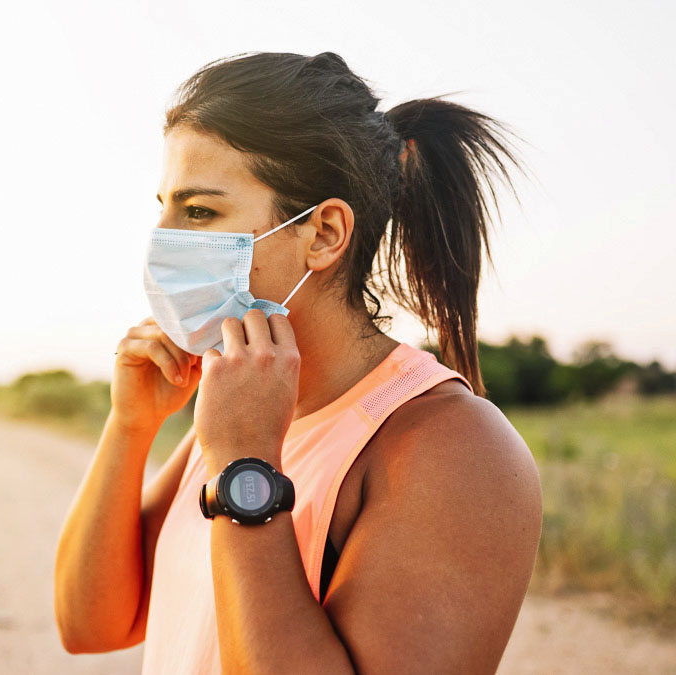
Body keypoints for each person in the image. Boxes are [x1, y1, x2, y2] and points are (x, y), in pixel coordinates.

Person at [54, 51, 542, 674]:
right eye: (164, 207)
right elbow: (90, 623)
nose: (162, 240)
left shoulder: (454, 448)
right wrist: (131, 426)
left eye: (199, 211)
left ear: (324, 234)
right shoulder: (239, 408)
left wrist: (247, 466)